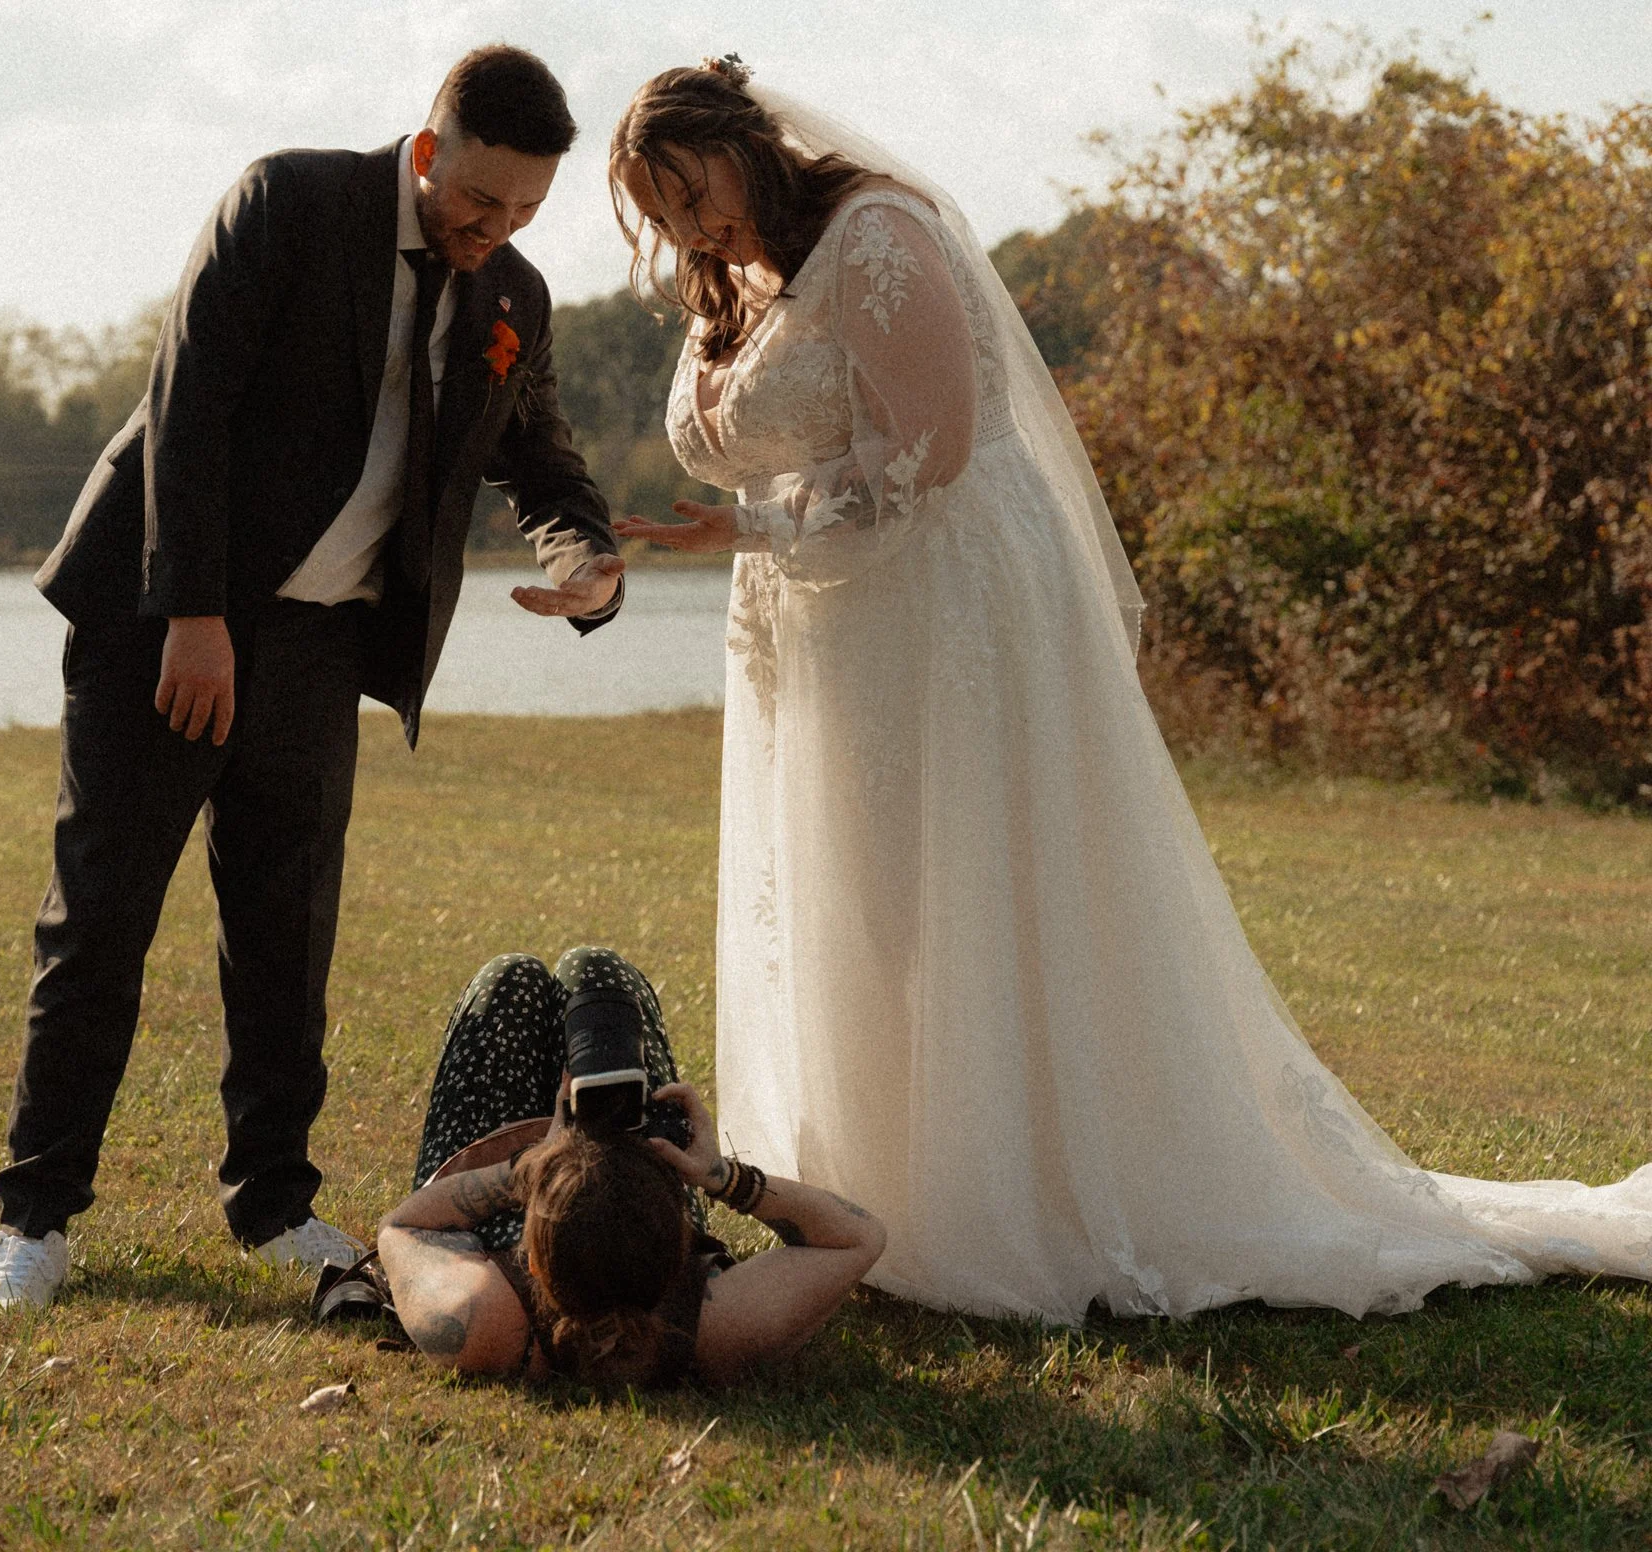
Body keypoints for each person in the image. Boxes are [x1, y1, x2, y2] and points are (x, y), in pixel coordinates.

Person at [607, 58, 1652, 1321]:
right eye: (660, 217)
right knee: (866, 889)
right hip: (822, 622)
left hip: (945, 606)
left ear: (744, 143)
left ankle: (1008, 1195)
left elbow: (930, 452)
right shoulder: (742, 279)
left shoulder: (874, 234)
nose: (686, 230)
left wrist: (750, 530)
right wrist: (721, 532)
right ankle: (879, 1179)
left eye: (690, 193)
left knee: (971, 877)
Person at [0, 46, 627, 1309]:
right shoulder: (288, 200)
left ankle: (272, 1204)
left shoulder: (513, 298)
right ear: (428, 151)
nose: (496, 231)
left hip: (324, 646)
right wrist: (195, 614)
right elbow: (189, 404)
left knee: (286, 937)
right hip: (163, 622)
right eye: (480, 202)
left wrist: (585, 558)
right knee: (100, 917)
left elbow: (539, 461)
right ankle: (35, 1216)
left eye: (528, 211)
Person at [374, 949, 885, 1385]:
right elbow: (858, 1237)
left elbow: (403, 1225)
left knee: (508, 980)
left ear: (532, 1263)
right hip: (594, 1210)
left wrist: (527, 1170)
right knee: (597, 974)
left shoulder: (487, 1323)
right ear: (681, 1252)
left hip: (493, 1206)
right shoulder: (716, 1327)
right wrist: (721, 1177)